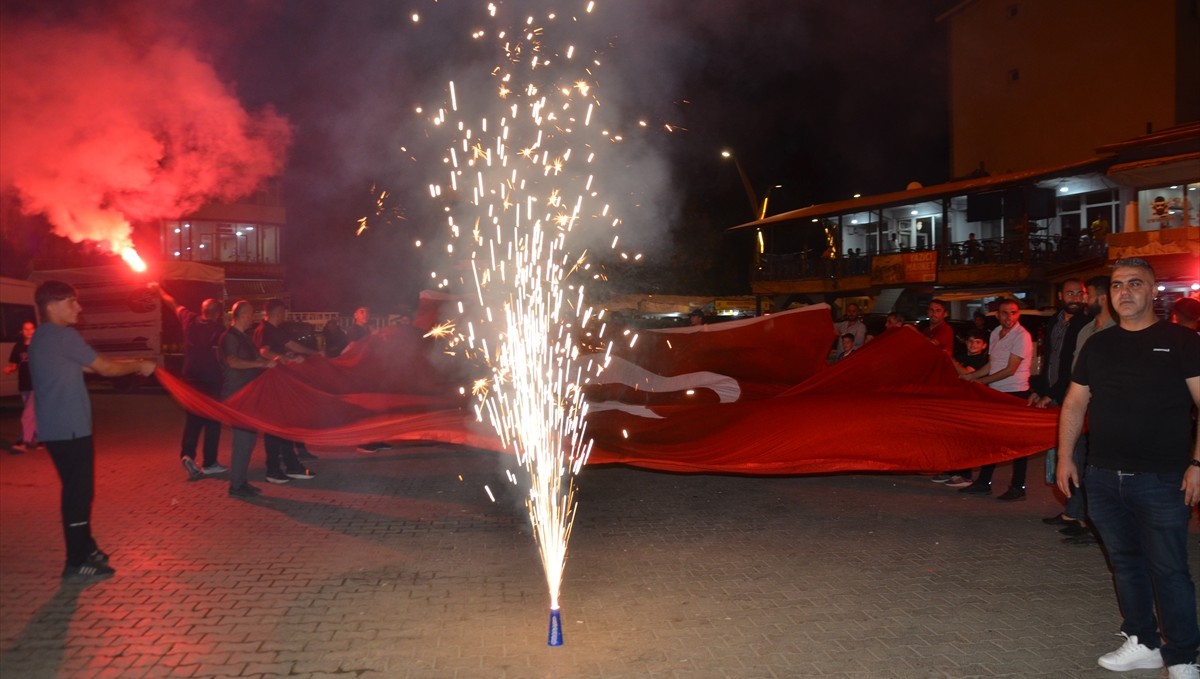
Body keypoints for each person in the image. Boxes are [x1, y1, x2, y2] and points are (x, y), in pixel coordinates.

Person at [1056, 258, 1200, 678]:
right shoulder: (1098, 344)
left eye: (1135, 283)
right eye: (1118, 285)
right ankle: (1143, 640)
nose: (1125, 292)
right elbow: (1075, 401)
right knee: (1125, 562)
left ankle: (1184, 655)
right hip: (1102, 476)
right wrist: (1065, 456)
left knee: (1170, 568)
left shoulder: (1182, 341)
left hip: (1163, 477)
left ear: (1154, 291)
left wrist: (1197, 462)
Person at [28, 280, 156, 579]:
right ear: (52, 306)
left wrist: (128, 364)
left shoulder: (42, 337)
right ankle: (75, 562)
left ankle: (86, 547)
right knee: (77, 495)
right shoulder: (63, 336)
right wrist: (139, 364)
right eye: (71, 301)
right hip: (70, 429)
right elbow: (106, 369)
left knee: (79, 492)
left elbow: (91, 366)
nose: (79, 307)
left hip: (57, 429)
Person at [1045, 275, 1115, 545]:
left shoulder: (1114, 330)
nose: (1082, 299)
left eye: (1087, 294)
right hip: (1079, 409)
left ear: (1102, 298)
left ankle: (1092, 521)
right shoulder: (1086, 330)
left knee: (1093, 467)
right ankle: (1078, 514)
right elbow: (1072, 372)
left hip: (1102, 413)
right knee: (1078, 462)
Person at [958, 298, 1033, 498]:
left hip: (1015, 391)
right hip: (996, 391)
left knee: (1016, 442)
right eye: (1005, 313)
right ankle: (984, 481)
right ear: (997, 315)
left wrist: (981, 382)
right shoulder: (995, 334)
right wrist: (972, 376)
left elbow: (1010, 369)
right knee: (991, 438)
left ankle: (1018, 487)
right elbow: (993, 364)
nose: (1009, 317)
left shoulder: (1022, 336)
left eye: (1014, 312)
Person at [152, 283, 227, 481]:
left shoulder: (189, 319)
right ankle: (210, 462)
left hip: (191, 379)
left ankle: (188, 455)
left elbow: (172, 302)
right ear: (218, 313)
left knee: (193, 420)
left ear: (202, 311)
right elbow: (222, 356)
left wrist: (158, 288)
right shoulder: (219, 330)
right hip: (211, 380)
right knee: (212, 421)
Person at [253, 299, 317, 483]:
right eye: (283, 313)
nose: (285, 316)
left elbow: (282, 349)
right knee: (278, 427)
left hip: (274, 384)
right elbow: (264, 352)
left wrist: (287, 356)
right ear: (277, 312)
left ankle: (289, 466)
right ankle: (275, 469)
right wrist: (311, 354)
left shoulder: (267, 329)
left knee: (282, 426)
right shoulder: (266, 330)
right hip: (272, 385)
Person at [220, 300, 277, 498]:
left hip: (248, 395)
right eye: (251, 314)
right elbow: (233, 362)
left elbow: (256, 360)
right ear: (243, 315)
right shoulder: (229, 338)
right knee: (243, 441)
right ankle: (236, 486)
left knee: (248, 440)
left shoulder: (244, 337)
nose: (253, 318)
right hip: (238, 395)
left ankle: (241, 482)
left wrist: (269, 362)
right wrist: (259, 364)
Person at [5, 320, 38, 452]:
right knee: (32, 413)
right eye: (26, 329)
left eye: (31, 329)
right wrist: (10, 369)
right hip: (24, 384)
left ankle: (24, 441)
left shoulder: (39, 345)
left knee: (28, 414)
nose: (29, 331)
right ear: (22, 331)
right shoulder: (18, 346)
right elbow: (14, 364)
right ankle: (38, 439)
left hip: (37, 384)